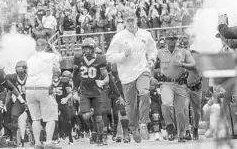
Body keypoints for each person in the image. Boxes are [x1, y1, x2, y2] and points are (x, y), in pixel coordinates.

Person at [106, 10, 157, 143]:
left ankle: (143, 123)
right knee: (130, 105)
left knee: (145, 93)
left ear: (136, 20)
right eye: (127, 20)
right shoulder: (119, 37)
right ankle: (134, 128)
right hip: (127, 75)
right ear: (124, 22)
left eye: (131, 20)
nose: (130, 23)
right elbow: (109, 56)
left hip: (142, 70)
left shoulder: (145, 34)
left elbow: (152, 49)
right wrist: (123, 55)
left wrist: (152, 59)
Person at [155, 31, 196, 142]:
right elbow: (150, 64)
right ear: (166, 39)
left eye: (173, 39)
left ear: (176, 40)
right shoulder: (159, 52)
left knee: (181, 111)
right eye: (169, 39)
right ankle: (169, 125)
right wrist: (151, 78)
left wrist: (183, 64)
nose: (171, 41)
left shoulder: (184, 52)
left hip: (180, 84)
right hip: (166, 84)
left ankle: (181, 135)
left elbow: (193, 65)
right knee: (167, 104)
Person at [72, 37, 109, 145]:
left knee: (98, 118)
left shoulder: (100, 58)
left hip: (96, 91)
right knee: (85, 115)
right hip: (84, 91)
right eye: (85, 49)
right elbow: (74, 75)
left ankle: (100, 136)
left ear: (94, 49)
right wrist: (74, 89)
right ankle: (92, 111)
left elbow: (106, 77)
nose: (87, 51)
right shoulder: (78, 58)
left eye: (89, 48)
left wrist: (103, 82)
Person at [26, 39, 61, 149]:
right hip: (43, 88)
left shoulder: (30, 58)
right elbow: (60, 58)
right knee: (51, 117)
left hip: (29, 89)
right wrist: (54, 48)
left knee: (36, 119)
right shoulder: (49, 55)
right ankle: (49, 142)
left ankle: (37, 143)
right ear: (46, 47)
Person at [178, 37, 202, 140]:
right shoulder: (177, 56)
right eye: (181, 46)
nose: (183, 48)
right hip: (184, 87)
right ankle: (187, 131)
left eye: (185, 46)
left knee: (196, 112)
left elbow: (197, 68)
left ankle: (195, 128)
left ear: (189, 46)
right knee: (184, 108)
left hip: (196, 88)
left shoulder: (196, 55)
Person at [5, 61, 28, 147]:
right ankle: (14, 139)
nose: (20, 72)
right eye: (18, 69)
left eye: (21, 70)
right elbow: (9, 93)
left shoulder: (30, 77)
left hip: (30, 99)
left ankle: (39, 139)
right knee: (14, 116)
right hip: (19, 101)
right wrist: (5, 104)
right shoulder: (11, 78)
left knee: (35, 117)